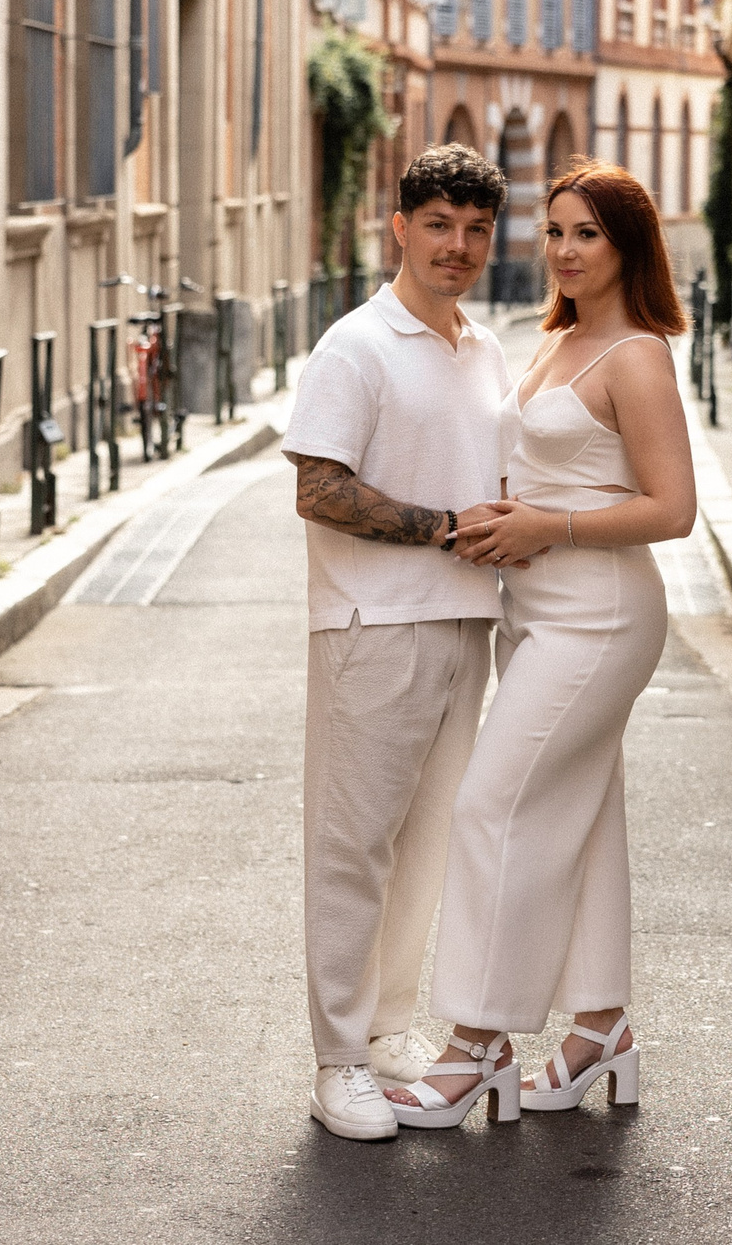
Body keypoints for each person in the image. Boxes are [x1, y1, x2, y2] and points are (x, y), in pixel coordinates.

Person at [383, 159, 695, 1130]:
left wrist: (547, 527)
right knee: (584, 814)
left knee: (493, 808)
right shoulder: (554, 339)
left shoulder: (636, 356)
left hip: (599, 616)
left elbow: (673, 510)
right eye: (554, 230)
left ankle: (476, 1042)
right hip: (535, 610)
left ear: (629, 246)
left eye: (587, 234)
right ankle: (599, 1028)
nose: (562, 250)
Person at [281, 144, 517, 1143]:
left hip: (466, 622)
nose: (455, 247)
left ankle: (386, 1032)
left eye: (473, 230)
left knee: (427, 848)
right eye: (437, 226)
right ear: (400, 229)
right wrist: (442, 528)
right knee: (353, 848)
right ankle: (337, 1060)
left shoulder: (485, 349)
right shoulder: (356, 345)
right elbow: (317, 488)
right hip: (372, 626)